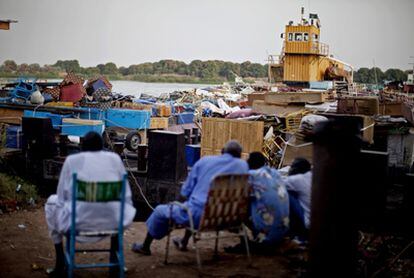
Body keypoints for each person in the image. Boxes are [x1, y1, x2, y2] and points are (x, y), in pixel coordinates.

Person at [131, 140, 249, 255]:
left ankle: (145, 247)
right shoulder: (243, 166)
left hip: (199, 217)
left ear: (222, 151)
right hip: (230, 218)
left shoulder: (205, 162)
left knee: (161, 211)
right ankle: (184, 241)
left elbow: (185, 192)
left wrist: (175, 204)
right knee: (194, 204)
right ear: (239, 155)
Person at [45, 131, 136, 275]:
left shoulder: (72, 161)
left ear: (82, 147)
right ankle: (115, 260)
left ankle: (60, 262)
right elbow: (126, 197)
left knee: (51, 202)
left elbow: (62, 197)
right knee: (115, 205)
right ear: (102, 147)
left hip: (78, 226)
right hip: (112, 226)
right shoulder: (115, 159)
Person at [225, 152, 289, 254]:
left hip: (267, 237)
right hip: (282, 231)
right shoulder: (274, 173)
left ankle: (245, 241)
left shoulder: (251, 176)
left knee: (238, 205)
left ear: (249, 163)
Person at [284, 157, 312, 239]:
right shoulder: (312, 176)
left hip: (306, 225)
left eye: (291, 167)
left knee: (286, 194)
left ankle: (292, 232)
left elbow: (277, 185)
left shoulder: (297, 179)